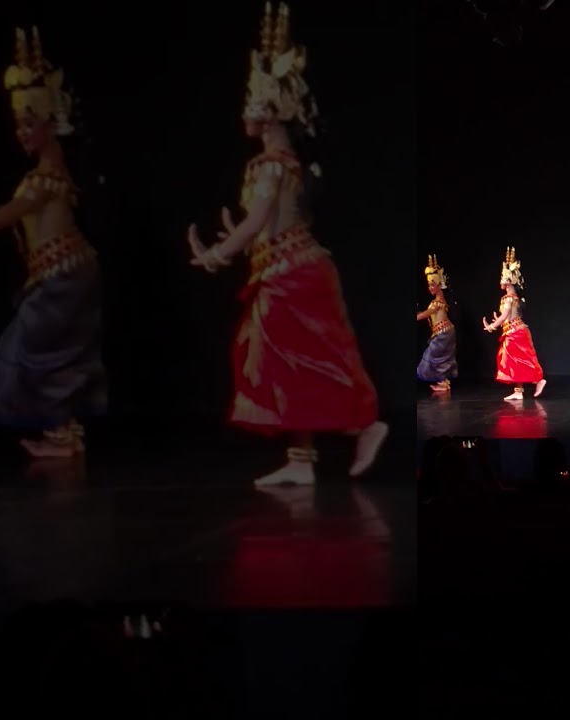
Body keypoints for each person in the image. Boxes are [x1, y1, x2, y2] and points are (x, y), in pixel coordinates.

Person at [185, 2, 387, 486]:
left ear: (271, 108)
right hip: (293, 270)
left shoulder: (273, 164)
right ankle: (302, 459)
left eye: (253, 97)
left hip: (292, 275)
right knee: (288, 362)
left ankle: (366, 425)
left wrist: (217, 253)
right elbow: (265, 222)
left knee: (292, 358)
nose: (246, 107)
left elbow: (256, 223)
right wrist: (239, 235)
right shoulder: (282, 163)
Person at [0, 27, 106, 458]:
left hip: (64, 275)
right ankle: (64, 434)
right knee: (56, 354)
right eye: (18, 125)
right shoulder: (48, 173)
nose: (21, 133)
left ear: (51, 124)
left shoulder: (43, 179)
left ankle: (63, 432)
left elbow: (2, 219)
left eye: (30, 124)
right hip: (67, 272)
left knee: (26, 348)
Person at [482, 246, 546, 401]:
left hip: (515, 333)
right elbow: (508, 316)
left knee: (515, 359)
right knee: (515, 361)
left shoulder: (508, 298)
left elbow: (504, 316)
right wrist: (499, 321)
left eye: (503, 277)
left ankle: (538, 380)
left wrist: (492, 326)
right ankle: (518, 391)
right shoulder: (515, 298)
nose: (501, 280)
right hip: (518, 331)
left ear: (509, 280)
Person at [416, 254, 457, 393]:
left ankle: (443, 382)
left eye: (433, 284)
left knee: (432, 356)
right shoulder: (439, 300)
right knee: (440, 358)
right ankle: (444, 383)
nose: (430, 287)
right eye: (429, 285)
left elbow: (427, 313)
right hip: (444, 331)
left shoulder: (437, 302)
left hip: (443, 332)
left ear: (440, 285)